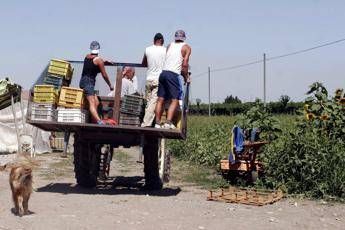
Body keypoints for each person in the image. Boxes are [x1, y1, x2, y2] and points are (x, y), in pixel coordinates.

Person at [154, 30, 191, 129]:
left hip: (163, 73)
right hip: (173, 74)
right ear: (184, 38)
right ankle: (168, 122)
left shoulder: (169, 45)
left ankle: (157, 123)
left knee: (160, 99)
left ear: (175, 37)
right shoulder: (186, 47)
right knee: (175, 99)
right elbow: (185, 65)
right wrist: (186, 77)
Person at [79, 41, 113, 125]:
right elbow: (104, 75)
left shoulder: (87, 56)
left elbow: (93, 62)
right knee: (92, 103)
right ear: (99, 49)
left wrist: (104, 62)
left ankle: (93, 119)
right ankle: (99, 121)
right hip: (89, 83)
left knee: (97, 102)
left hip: (83, 81)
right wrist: (110, 85)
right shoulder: (99, 60)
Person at [141, 33, 166, 127]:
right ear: (162, 41)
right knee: (154, 102)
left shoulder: (148, 49)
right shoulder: (165, 50)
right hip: (158, 79)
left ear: (154, 40)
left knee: (148, 102)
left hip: (149, 79)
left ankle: (147, 122)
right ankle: (146, 124)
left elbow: (143, 63)